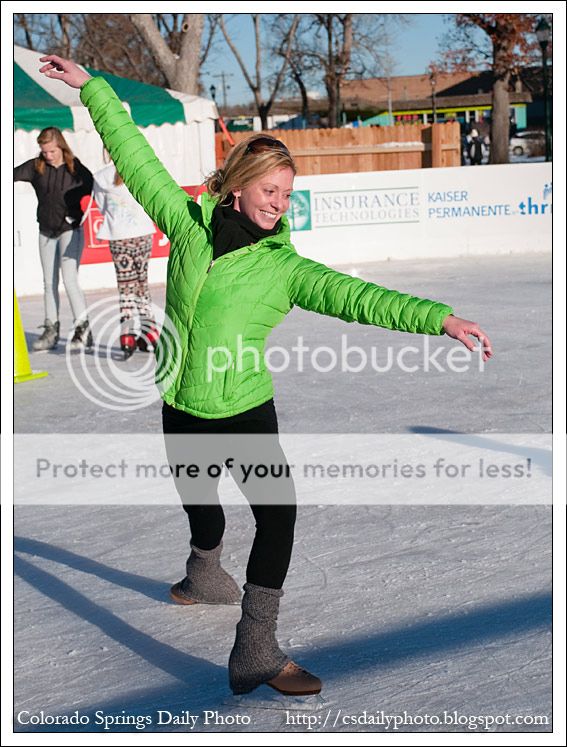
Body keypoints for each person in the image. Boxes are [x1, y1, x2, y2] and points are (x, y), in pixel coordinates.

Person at [40, 55, 493, 698]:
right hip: (183, 402)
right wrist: (94, 90)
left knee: (278, 515)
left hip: (248, 406)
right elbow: (136, 158)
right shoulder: (188, 225)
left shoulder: (286, 268)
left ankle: (255, 647)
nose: (279, 206)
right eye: (269, 192)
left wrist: (440, 318)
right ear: (238, 187)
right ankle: (203, 574)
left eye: (286, 195)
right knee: (204, 518)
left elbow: (357, 296)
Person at [14, 127, 94, 351]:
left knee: (69, 279)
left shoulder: (76, 168)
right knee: (49, 282)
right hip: (46, 231)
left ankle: (83, 330)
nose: (48, 156)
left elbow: (96, 189)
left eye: (51, 151)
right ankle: (51, 329)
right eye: (44, 151)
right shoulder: (35, 166)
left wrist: (81, 211)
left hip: (70, 230)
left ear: (60, 145)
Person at [92, 156, 159, 359]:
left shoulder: (101, 177)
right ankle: (150, 330)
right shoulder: (139, 171)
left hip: (119, 234)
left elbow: (101, 206)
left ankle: (128, 333)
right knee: (141, 284)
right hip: (142, 233)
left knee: (126, 286)